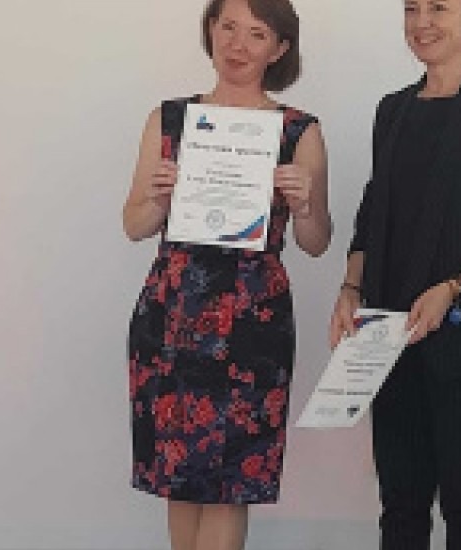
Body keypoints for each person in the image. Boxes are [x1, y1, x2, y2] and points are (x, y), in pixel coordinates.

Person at [329, 0, 461, 548]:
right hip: (388, 337)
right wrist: (350, 289)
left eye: (438, 8)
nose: (421, 22)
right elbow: (371, 216)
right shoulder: (392, 111)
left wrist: (453, 287)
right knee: (400, 506)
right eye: (411, 8)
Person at [123, 0, 330, 548]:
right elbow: (134, 224)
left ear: (279, 48)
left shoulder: (298, 131)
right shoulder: (169, 119)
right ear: (210, 30)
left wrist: (304, 206)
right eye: (228, 27)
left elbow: (316, 243)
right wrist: (159, 198)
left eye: (257, 34)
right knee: (177, 475)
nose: (238, 45)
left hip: (251, 321)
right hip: (172, 313)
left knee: (230, 482)